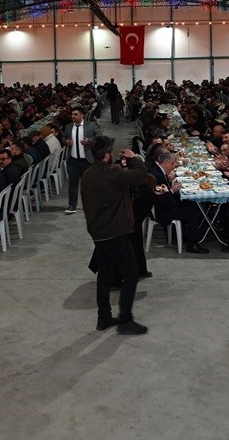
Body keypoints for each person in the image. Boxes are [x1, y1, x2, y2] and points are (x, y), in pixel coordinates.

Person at [81, 135, 155, 335]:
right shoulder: (112, 173)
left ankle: (103, 317)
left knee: (104, 275)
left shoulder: (88, 173)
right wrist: (134, 157)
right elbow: (140, 175)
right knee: (130, 274)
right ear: (106, 155)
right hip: (115, 233)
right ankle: (126, 321)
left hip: (98, 233)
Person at [147, 151, 207, 253]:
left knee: (193, 204)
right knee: (193, 212)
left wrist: (172, 187)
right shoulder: (157, 175)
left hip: (165, 205)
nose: (175, 166)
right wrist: (172, 190)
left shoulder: (159, 171)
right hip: (163, 212)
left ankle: (188, 232)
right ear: (165, 163)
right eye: (173, 163)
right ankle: (192, 245)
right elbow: (160, 200)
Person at [63, 107, 98, 214]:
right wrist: (66, 142)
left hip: (87, 161)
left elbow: (99, 136)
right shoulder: (68, 127)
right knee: (72, 184)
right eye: (72, 114)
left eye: (75, 114)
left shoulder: (90, 125)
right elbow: (64, 138)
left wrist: (89, 141)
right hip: (73, 161)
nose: (73, 116)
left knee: (88, 185)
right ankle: (72, 205)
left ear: (81, 115)